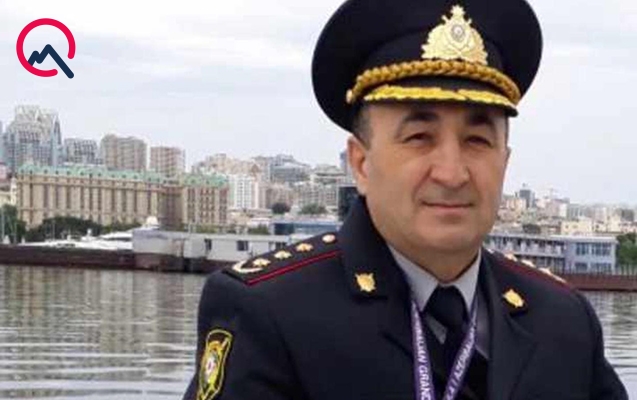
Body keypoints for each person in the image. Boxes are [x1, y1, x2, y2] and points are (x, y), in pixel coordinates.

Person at [183, 0, 628, 398]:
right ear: (360, 163)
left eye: (477, 140)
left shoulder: (564, 322)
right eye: (419, 137)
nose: (452, 173)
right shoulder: (273, 313)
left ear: (505, 161)